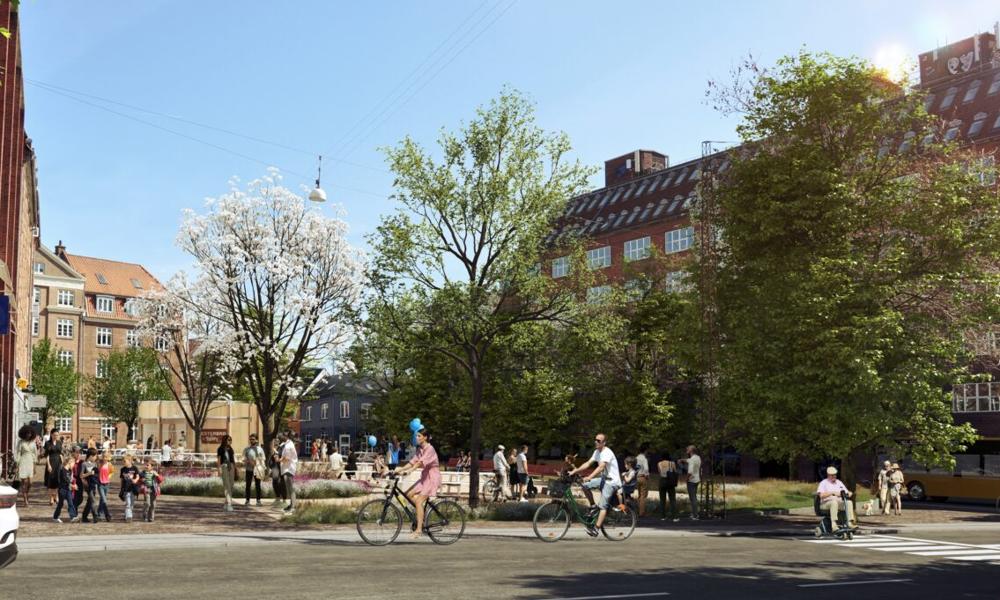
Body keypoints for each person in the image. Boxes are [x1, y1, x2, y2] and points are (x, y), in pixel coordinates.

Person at [569, 432, 622, 537]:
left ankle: (596, 529)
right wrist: (574, 471)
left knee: (603, 506)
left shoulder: (607, 452)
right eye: (595, 440)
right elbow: (588, 463)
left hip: (612, 482)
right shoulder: (596, 452)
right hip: (603, 479)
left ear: (604, 443)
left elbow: (601, 467)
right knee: (585, 486)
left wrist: (590, 477)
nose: (596, 442)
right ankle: (593, 506)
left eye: (599, 441)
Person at [392, 427, 440, 539]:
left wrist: (409, 471)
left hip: (432, 477)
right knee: (408, 495)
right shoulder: (420, 449)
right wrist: (398, 470)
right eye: (416, 435)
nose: (417, 437)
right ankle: (421, 513)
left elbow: (419, 463)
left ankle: (418, 530)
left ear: (425, 437)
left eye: (419, 436)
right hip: (424, 477)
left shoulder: (430, 449)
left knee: (418, 501)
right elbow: (413, 461)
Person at [816, 466, 854, 530]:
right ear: (828, 475)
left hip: (838, 502)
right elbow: (821, 495)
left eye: (835, 475)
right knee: (834, 502)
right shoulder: (823, 483)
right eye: (832, 475)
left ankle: (849, 522)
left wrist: (849, 493)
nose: (834, 476)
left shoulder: (839, 482)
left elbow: (846, 491)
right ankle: (834, 525)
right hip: (826, 503)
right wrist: (832, 493)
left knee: (849, 502)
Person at [52, 452, 79, 523]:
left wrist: (74, 484)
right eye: (73, 464)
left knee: (70, 503)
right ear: (69, 463)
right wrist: (72, 486)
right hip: (62, 490)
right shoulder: (62, 470)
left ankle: (73, 517)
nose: (73, 466)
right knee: (60, 504)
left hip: (68, 490)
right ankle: (55, 517)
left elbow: (70, 480)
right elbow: (65, 480)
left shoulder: (70, 471)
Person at [16, 425, 38, 506]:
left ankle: (26, 494)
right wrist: (17, 465)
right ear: (24, 433)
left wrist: (35, 465)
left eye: (30, 433)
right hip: (23, 462)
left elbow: (35, 453)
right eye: (27, 433)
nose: (28, 434)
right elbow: (18, 453)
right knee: (24, 482)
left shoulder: (33, 442)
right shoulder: (20, 442)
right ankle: (25, 500)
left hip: (31, 462)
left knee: (30, 483)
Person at [678, 445, 702, 520]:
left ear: (691, 450)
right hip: (697, 478)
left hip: (691, 480)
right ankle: (694, 513)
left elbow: (690, 471)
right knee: (694, 497)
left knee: (693, 498)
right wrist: (682, 460)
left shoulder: (692, 459)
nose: (686, 450)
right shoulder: (698, 457)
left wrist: (686, 479)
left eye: (687, 449)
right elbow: (688, 460)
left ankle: (695, 515)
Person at [243, 434, 265, 506]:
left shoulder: (260, 449)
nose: (251, 441)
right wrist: (247, 461)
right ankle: (247, 500)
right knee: (248, 485)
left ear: (256, 440)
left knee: (258, 485)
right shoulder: (247, 449)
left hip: (257, 470)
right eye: (250, 439)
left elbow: (263, 459)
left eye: (253, 439)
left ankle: (258, 501)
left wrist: (257, 462)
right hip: (249, 469)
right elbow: (243, 458)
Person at [657, 451, 679, 522]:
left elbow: (660, 473)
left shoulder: (659, 463)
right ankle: (674, 517)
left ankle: (662, 516)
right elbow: (675, 472)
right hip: (670, 482)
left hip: (662, 481)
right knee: (672, 499)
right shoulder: (672, 463)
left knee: (662, 500)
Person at [279, 432, 298, 514]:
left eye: (282, 435)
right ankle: (291, 505)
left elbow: (287, 458)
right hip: (287, 468)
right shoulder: (287, 444)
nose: (280, 437)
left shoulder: (288, 446)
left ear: (285, 436)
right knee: (289, 488)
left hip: (289, 469)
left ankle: (293, 506)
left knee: (290, 488)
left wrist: (278, 460)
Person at [217, 435, 237, 512]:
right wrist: (218, 469)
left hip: (231, 466)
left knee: (231, 485)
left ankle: (226, 503)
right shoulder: (220, 449)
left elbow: (233, 459)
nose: (230, 441)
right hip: (224, 466)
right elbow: (219, 460)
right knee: (227, 485)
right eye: (228, 440)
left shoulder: (231, 449)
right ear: (225, 440)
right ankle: (229, 504)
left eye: (231, 440)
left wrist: (235, 469)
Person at [44, 428, 63, 506]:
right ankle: (51, 497)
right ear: (51, 435)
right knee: (51, 480)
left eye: (57, 435)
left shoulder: (59, 442)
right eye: (54, 435)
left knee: (58, 479)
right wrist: (48, 465)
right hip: (51, 462)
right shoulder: (47, 443)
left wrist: (63, 463)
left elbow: (61, 454)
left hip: (58, 462)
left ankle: (56, 495)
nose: (56, 436)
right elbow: (47, 455)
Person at [119, 455, 139, 522]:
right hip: (126, 488)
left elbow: (137, 476)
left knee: (132, 504)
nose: (123, 462)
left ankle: (127, 514)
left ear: (129, 461)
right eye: (123, 461)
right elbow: (121, 479)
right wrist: (121, 488)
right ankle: (129, 517)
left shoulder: (134, 468)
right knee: (128, 503)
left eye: (125, 461)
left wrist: (135, 480)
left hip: (133, 488)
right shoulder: (122, 469)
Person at [269, 437, 286, 509]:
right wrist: (271, 465)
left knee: (281, 483)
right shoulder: (274, 449)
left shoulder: (282, 448)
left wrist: (277, 453)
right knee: (274, 482)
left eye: (277, 441)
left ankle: (284, 500)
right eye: (274, 441)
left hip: (280, 468)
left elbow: (282, 457)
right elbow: (272, 459)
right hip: (275, 468)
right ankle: (277, 498)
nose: (275, 443)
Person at [96, 453, 113, 522]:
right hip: (100, 484)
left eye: (106, 457)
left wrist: (109, 477)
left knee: (102, 500)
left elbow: (112, 472)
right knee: (104, 500)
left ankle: (98, 514)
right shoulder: (99, 464)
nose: (105, 459)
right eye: (104, 457)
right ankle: (107, 515)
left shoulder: (109, 465)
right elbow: (97, 471)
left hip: (107, 484)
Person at [635, 445, 650, 517]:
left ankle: (638, 511)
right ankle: (642, 512)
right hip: (643, 477)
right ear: (645, 451)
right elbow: (646, 469)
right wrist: (647, 475)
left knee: (639, 495)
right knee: (643, 496)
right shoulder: (644, 459)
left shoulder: (636, 458)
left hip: (637, 477)